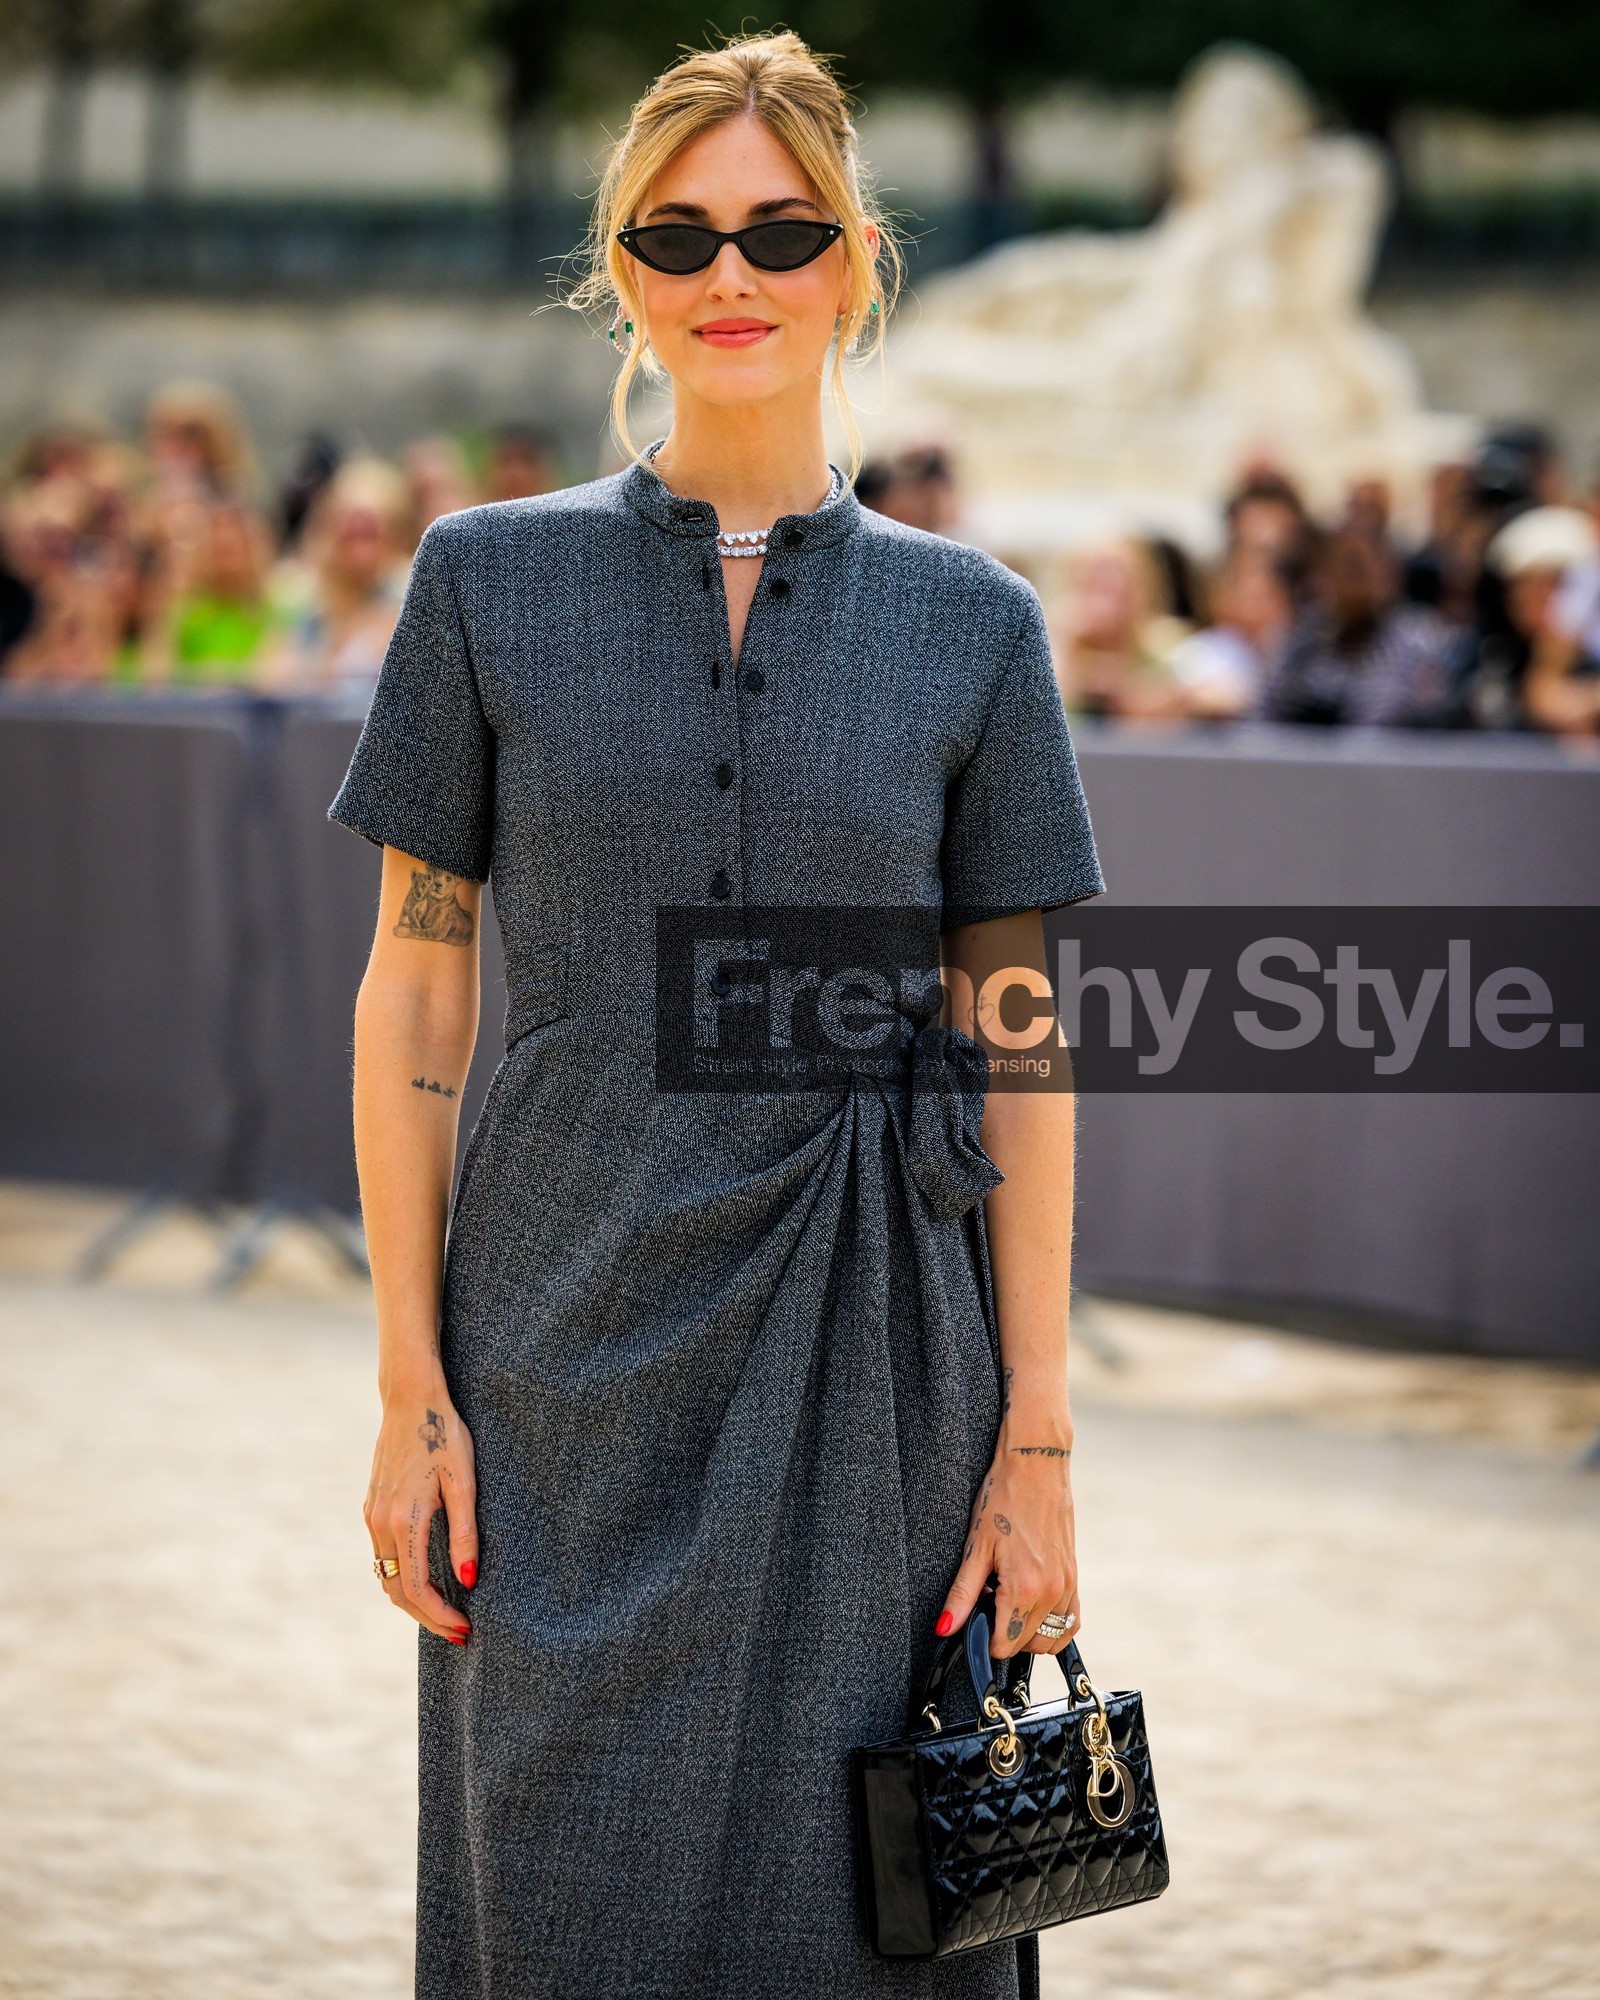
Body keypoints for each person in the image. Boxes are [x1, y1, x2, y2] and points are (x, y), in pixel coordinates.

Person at [329, 31, 1103, 2000]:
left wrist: (1036, 1439)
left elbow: (1020, 1042)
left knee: (865, 1911)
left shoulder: (976, 623)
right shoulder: (481, 583)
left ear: (856, 261)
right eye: (677, 236)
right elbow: (417, 985)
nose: (730, 273)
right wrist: (410, 1385)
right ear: (623, 269)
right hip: (552, 1347)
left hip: (880, 1359)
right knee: (555, 1885)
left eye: (780, 231)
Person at [1260, 523, 1454, 726]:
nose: (1355, 584)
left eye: (1360, 570)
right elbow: (1264, 711)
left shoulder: (1417, 643)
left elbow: (1425, 719)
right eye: (1343, 569)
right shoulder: (1304, 639)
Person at [265, 459, 410, 692]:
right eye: (349, 529)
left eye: (368, 531)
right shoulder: (304, 610)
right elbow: (270, 682)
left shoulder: (409, 606)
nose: (357, 544)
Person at [1055, 534, 1190, 718]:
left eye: (1116, 589)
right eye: (1095, 585)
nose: (1104, 603)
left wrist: (1128, 692)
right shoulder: (1054, 645)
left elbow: (1203, 693)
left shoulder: (1167, 644)